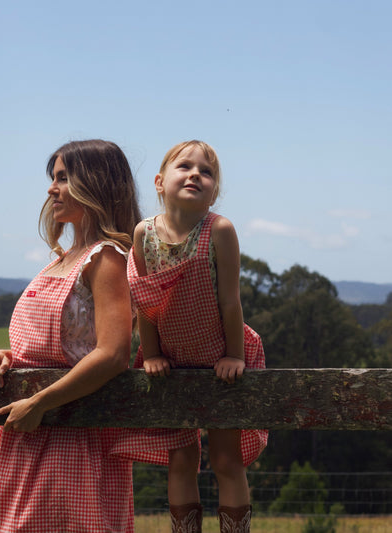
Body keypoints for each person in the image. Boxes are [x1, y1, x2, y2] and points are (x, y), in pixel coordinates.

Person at [0, 139, 142, 533]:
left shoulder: (107, 258)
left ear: (96, 184)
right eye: (53, 178)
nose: (51, 189)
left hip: (71, 439)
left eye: (63, 178)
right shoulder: (61, 260)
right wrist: (7, 357)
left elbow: (114, 353)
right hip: (23, 436)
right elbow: (64, 343)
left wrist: (40, 402)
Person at [127, 140, 268, 533]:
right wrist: (151, 353)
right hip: (171, 360)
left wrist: (235, 357)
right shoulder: (144, 235)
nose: (195, 174)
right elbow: (145, 299)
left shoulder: (218, 230)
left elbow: (230, 303)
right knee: (182, 459)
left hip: (222, 357)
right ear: (159, 181)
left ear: (214, 192)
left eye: (206, 172)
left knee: (226, 460)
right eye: (184, 166)